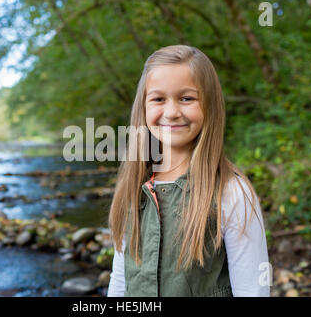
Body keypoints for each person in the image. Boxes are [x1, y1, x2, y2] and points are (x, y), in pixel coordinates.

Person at [107, 45, 270, 297]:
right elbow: (120, 282)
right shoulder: (132, 190)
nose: (171, 112)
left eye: (187, 98)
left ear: (210, 105)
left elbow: (253, 291)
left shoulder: (231, 193)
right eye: (159, 99)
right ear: (143, 108)